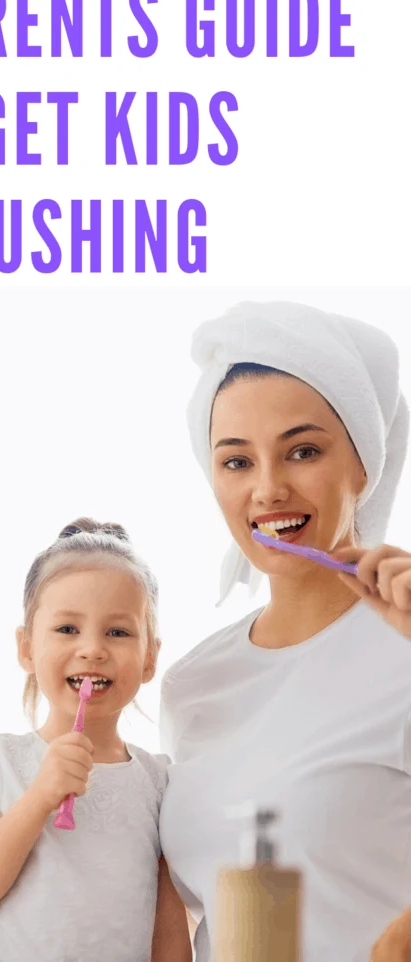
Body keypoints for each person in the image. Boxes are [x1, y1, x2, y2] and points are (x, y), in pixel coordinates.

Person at [159, 300, 411, 962]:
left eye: (302, 451)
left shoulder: (405, 647)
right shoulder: (193, 683)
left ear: (365, 462)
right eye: (237, 462)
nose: (268, 490)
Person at [0, 518, 191, 962]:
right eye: (67, 629)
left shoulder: (158, 782)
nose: (92, 649)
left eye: (118, 632)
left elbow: (168, 928)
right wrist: (39, 798)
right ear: (26, 648)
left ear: (150, 656)